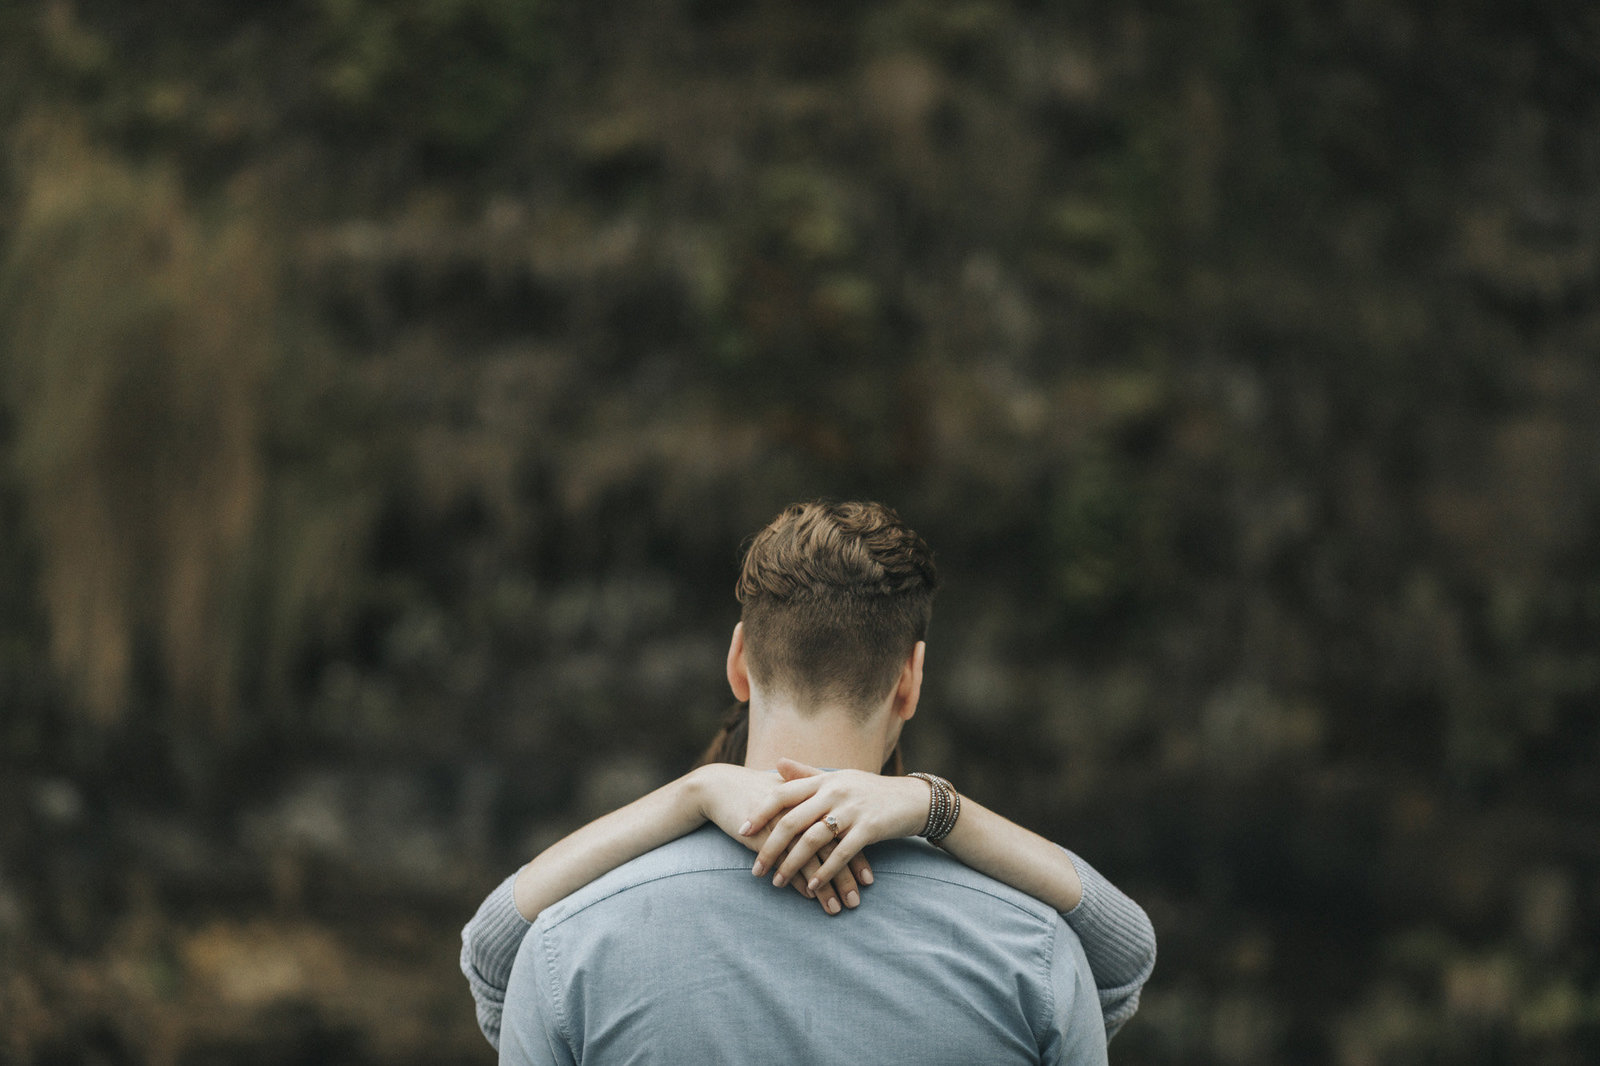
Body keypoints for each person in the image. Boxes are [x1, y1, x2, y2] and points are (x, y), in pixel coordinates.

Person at [462, 501, 1156, 1063]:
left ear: (738, 660)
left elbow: (492, 956)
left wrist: (691, 793)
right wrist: (937, 807)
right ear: (910, 682)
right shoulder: (1031, 949)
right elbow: (1124, 959)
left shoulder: (571, 943)